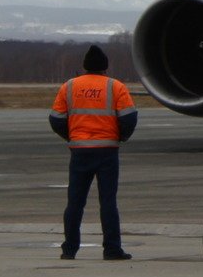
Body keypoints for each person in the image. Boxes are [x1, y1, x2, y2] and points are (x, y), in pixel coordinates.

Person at [50, 45, 138, 260]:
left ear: (85, 66)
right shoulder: (116, 87)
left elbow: (56, 119)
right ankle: (112, 248)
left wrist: (71, 136)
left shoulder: (69, 87)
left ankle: (69, 249)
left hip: (80, 151)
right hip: (107, 151)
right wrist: (120, 136)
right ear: (105, 67)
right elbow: (129, 118)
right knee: (108, 202)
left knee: (75, 203)